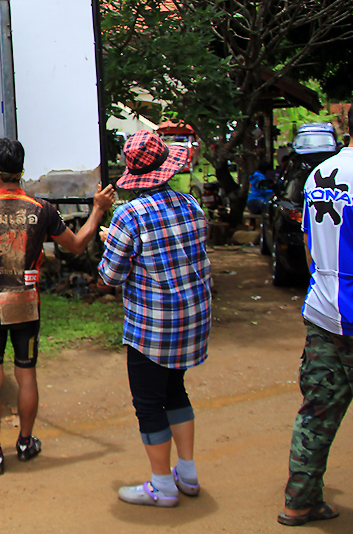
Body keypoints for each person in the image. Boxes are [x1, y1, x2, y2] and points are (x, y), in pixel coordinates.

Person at [0, 137, 115, 474]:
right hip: (26, 306)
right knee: (26, 375)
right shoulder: (43, 210)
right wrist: (98, 209)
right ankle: (25, 442)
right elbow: (76, 245)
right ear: (21, 170)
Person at [98, 130, 212, 508]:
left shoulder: (128, 215)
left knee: (148, 403)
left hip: (153, 326)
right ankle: (187, 474)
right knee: (175, 390)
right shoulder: (191, 204)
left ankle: (162, 486)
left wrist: (110, 242)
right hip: (192, 318)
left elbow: (110, 276)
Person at [278, 95, 353, 527]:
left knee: (317, 411)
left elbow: (311, 246)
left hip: (322, 311)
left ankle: (299, 501)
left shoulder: (318, 174)